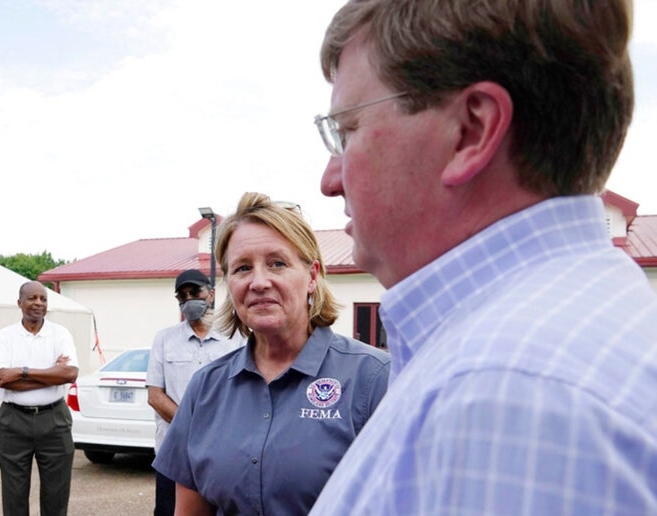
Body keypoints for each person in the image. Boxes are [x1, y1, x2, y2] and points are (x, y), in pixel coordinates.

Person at [311, 1, 657, 514]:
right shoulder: (571, 334)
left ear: (471, 132)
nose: (330, 179)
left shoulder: (509, 398)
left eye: (348, 130)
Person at [152, 192, 391, 515]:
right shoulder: (205, 388)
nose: (259, 282)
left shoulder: (375, 380)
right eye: (242, 268)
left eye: (277, 263)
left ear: (311, 276)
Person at [146, 268, 245, 516]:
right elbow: (155, 396)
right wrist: (193, 427)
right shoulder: (164, 339)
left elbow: (244, 393)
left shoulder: (237, 337)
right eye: (182, 295)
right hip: (175, 453)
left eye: (195, 292)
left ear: (210, 295)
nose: (189, 299)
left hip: (222, 452)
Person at [0, 281, 79, 516]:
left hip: (54, 420)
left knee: (56, 495)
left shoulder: (60, 334)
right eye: (32, 298)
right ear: (19, 303)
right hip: (13, 420)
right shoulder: (5, 337)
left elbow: (69, 373)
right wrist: (51, 374)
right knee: (14, 495)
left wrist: (20, 372)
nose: (38, 303)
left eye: (43, 299)